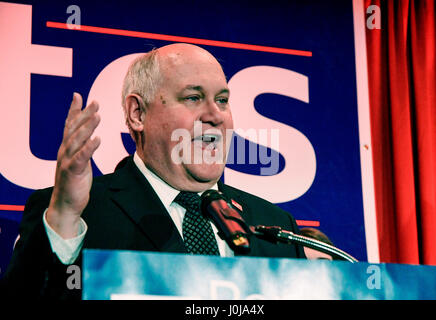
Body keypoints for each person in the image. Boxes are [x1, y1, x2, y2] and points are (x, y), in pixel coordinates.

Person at [2, 43, 305, 299]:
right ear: (138, 113)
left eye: (222, 100)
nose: (215, 115)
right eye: (193, 97)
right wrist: (65, 215)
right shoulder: (77, 213)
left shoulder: (275, 225)